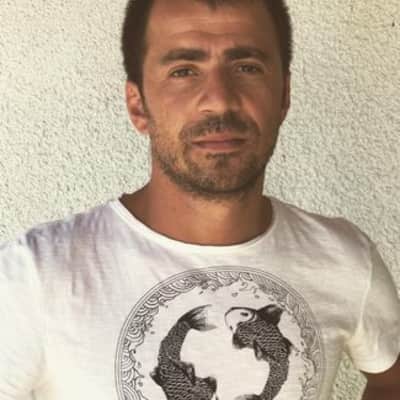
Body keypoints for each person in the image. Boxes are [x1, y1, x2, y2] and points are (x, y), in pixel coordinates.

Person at [1, 0, 399, 399]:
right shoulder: (34, 275)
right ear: (138, 105)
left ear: (283, 96)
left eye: (247, 67)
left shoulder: (346, 258)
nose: (220, 100)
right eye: (184, 71)